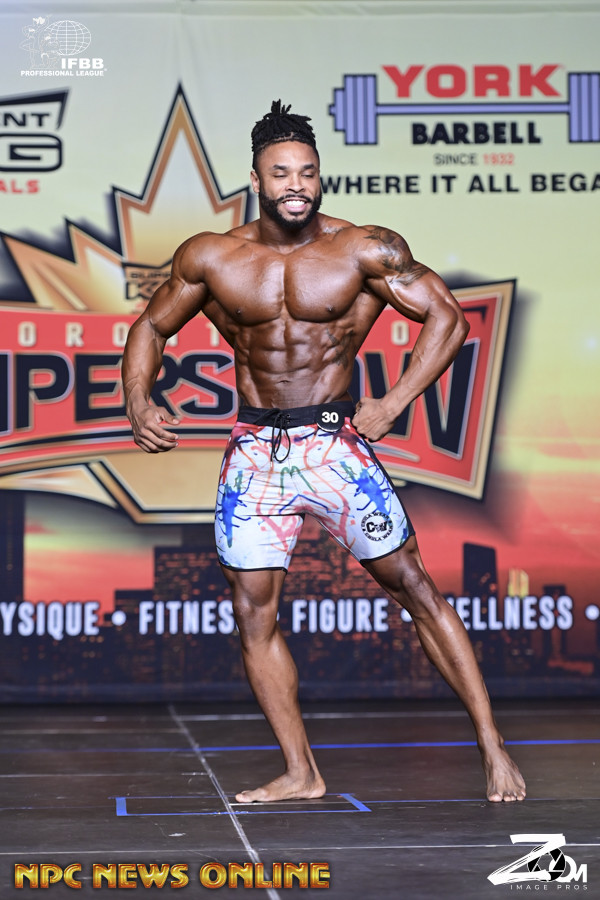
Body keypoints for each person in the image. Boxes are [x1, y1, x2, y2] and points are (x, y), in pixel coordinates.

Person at [122, 100, 526, 805]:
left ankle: (493, 747)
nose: (297, 185)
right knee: (253, 613)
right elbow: (150, 329)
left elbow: (448, 316)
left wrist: (394, 402)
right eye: (281, 173)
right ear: (256, 179)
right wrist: (138, 400)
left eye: (307, 172)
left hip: (335, 447)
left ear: (320, 175)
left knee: (414, 586)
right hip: (255, 453)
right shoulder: (211, 255)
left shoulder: (364, 248)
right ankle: (301, 771)